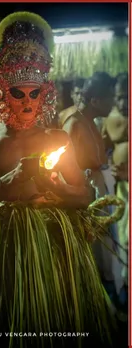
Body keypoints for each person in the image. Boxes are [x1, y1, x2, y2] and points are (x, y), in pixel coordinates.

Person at [0, 13, 121, 348]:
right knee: (5, 316)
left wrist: (56, 189)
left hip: (52, 243)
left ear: (45, 94)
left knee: (56, 311)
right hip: (2, 245)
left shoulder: (57, 138)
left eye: (34, 94)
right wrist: (8, 181)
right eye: (18, 94)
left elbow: (82, 197)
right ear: (0, 93)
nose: (27, 103)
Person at [62, 72, 122, 299]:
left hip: (100, 194)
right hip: (87, 200)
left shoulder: (91, 122)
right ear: (96, 100)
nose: (114, 104)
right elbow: (64, 168)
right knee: (95, 254)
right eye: (110, 98)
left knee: (107, 252)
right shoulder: (74, 123)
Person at [103, 72, 129, 310]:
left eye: (127, 98)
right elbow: (103, 148)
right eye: (119, 98)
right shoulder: (110, 119)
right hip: (121, 189)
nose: (123, 104)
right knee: (123, 239)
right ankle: (125, 289)